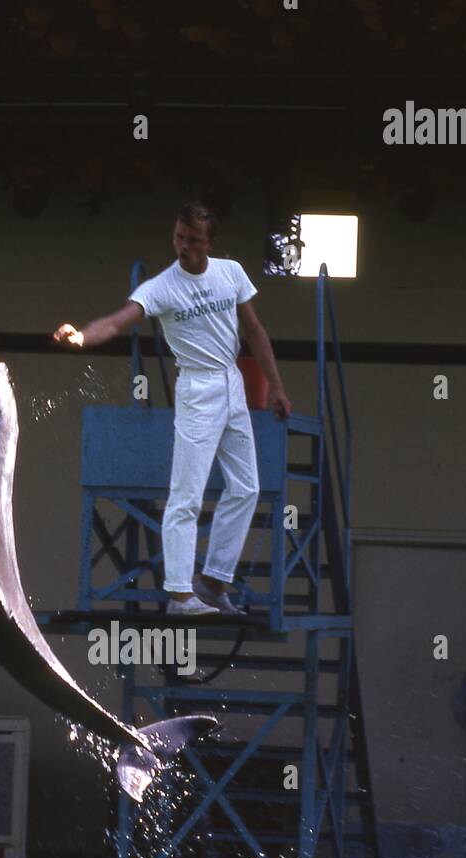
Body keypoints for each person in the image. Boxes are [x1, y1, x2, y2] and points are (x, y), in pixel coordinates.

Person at [53, 202, 292, 616]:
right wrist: (81, 337)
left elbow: (253, 329)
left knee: (247, 486)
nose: (184, 246)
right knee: (187, 495)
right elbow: (117, 321)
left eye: (193, 240)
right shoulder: (162, 286)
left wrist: (275, 386)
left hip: (231, 380)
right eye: (179, 237)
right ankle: (181, 594)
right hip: (197, 386)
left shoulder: (230, 273)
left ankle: (215, 582)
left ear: (210, 242)